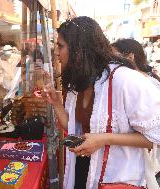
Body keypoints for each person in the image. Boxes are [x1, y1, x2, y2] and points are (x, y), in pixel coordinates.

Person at [44, 16, 160, 189]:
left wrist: (103, 139)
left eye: (60, 46)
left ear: (79, 49)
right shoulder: (80, 82)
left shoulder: (126, 80)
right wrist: (56, 103)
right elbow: (73, 127)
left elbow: (154, 137)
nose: (56, 52)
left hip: (116, 178)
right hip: (82, 171)